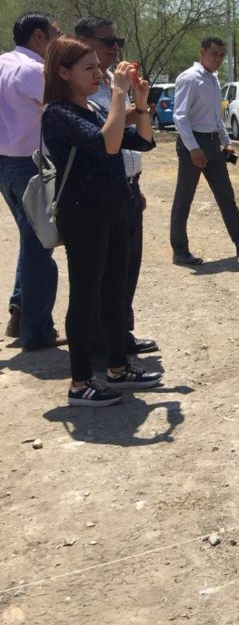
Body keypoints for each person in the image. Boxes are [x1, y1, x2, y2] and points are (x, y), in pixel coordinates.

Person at [40, 38, 161, 406]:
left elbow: (142, 142)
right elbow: (107, 143)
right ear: (64, 72)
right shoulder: (57, 114)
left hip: (114, 209)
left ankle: (117, 369)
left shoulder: (92, 108)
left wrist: (141, 105)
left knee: (114, 291)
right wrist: (119, 94)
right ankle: (79, 383)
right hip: (84, 214)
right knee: (85, 296)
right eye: (89, 68)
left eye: (98, 66)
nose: (99, 74)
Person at [75, 17, 158, 355]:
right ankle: (101, 346)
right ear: (83, 41)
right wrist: (124, 99)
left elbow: (130, 135)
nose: (114, 48)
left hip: (126, 187)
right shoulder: (82, 88)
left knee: (126, 268)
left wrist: (138, 104)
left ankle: (119, 335)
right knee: (103, 274)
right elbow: (103, 134)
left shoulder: (110, 80)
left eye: (116, 42)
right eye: (107, 41)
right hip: (99, 194)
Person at [169, 37, 239, 265]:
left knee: (226, 195)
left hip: (213, 143)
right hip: (193, 144)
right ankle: (180, 250)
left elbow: (216, 117)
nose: (218, 59)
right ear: (202, 52)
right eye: (214, 53)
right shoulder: (189, 78)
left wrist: (226, 142)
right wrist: (193, 148)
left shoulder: (213, 79)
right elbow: (180, 116)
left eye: (221, 55)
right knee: (184, 199)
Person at [0, 11, 62, 349]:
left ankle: (20, 310)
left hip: (6, 165)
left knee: (30, 239)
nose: (59, 41)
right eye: (55, 34)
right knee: (41, 245)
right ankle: (36, 331)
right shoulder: (35, 70)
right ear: (39, 36)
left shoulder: (3, 64)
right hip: (32, 166)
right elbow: (62, 108)